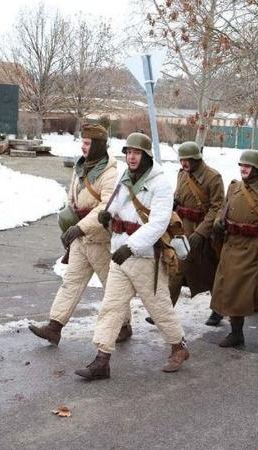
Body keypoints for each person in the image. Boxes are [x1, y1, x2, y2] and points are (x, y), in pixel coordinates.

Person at [76, 133, 188, 380]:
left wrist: (132, 246)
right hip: (120, 253)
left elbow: (158, 223)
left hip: (144, 256)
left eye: (136, 153)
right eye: (128, 152)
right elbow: (115, 204)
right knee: (111, 306)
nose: (131, 157)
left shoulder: (160, 185)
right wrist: (107, 215)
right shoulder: (125, 177)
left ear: (147, 155)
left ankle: (179, 346)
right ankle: (101, 360)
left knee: (159, 307)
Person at [29, 124, 131, 346]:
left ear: (98, 145)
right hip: (80, 238)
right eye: (82, 142)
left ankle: (124, 326)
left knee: (112, 287)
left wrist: (81, 227)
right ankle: (55, 327)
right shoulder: (81, 167)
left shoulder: (110, 172)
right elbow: (72, 197)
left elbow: (106, 207)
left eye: (87, 143)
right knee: (71, 282)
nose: (83, 147)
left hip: (100, 240)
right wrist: (69, 223)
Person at [211, 150, 258, 347]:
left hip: (256, 247)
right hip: (232, 245)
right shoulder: (234, 187)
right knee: (230, 290)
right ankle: (236, 333)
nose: (243, 169)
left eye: (248, 166)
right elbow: (223, 208)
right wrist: (219, 221)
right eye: (242, 165)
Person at [169, 141, 225, 325]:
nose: (184, 163)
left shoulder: (213, 177)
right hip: (184, 228)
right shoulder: (182, 174)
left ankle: (218, 309)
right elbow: (178, 197)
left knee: (212, 271)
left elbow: (217, 207)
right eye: (182, 159)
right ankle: (165, 312)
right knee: (177, 268)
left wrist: (201, 233)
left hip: (205, 231)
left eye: (188, 160)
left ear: (196, 159)